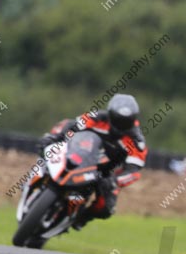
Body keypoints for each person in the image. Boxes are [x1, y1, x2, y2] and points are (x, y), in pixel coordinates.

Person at [39, 94, 148, 230]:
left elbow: (134, 169)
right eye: (117, 120)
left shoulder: (136, 140)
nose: (120, 127)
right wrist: (55, 137)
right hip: (79, 156)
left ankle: (81, 218)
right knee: (47, 150)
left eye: (125, 123)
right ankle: (38, 180)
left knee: (106, 207)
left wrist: (116, 180)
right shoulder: (97, 117)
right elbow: (72, 125)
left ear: (133, 120)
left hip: (103, 173)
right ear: (110, 114)